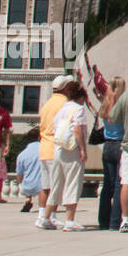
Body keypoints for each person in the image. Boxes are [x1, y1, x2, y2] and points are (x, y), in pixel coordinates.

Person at [40, 80, 90, 231]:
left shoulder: (62, 108)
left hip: (58, 149)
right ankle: (70, 220)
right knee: (73, 183)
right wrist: (82, 149)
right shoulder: (78, 109)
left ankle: (46, 217)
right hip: (71, 150)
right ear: (81, 97)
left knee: (56, 184)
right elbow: (77, 129)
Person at [36, 76, 72, 220]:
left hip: (44, 148)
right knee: (56, 186)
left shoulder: (47, 103)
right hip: (55, 148)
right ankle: (51, 215)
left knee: (45, 186)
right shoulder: (65, 103)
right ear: (65, 88)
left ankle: (41, 213)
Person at [98, 76, 126, 229]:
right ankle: (115, 221)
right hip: (119, 145)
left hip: (107, 146)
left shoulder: (104, 105)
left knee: (107, 184)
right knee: (118, 184)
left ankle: (103, 220)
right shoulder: (119, 107)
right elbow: (113, 119)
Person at [14, 130, 42, 212]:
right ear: (39, 138)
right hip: (42, 186)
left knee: (28, 175)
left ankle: (28, 199)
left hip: (27, 187)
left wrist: (20, 184)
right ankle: (44, 205)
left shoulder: (22, 154)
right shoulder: (45, 150)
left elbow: (19, 175)